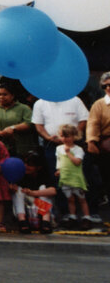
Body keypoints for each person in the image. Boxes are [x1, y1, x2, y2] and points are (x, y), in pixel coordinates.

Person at [55, 123, 97, 229]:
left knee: (81, 199)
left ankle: (87, 217)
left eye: (67, 136)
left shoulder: (78, 149)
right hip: (66, 178)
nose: (65, 139)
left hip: (76, 178)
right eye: (62, 136)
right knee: (70, 199)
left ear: (74, 136)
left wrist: (69, 153)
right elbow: (59, 161)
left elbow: (77, 162)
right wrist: (59, 170)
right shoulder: (59, 149)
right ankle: (72, 217)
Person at [10, 151, 57, 234]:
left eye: (30, 165)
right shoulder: (21, 174)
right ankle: (22, 221)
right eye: (25, 164)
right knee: (18, 190)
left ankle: (45, 221)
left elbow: (53, 191)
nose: (26, 166)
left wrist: (33, 193)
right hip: (26, 207)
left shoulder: (44, 174)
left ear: (38, 167)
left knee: (43, 189)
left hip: (41, 206)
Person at [0, 84, 35, 159]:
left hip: (20, 148)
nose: (1, 97)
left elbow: (29, 123)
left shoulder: (24, 108)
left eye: (5, 94)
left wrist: (13, 128)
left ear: (12, 95)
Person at [86, 71, 110, 210]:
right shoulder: (99, 105)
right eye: (105, 86)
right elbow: (93, 123)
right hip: (107, 145)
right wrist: (91, 141)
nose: (108, 88)